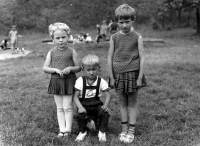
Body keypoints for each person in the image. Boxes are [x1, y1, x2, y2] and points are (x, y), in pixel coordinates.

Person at [108, 4, 146, 143]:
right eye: (121, 22)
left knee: (132, 103)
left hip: (133, 74)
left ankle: (131, 130)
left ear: (133, 20)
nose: (124, 25)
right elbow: (109, 58)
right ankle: (123, 129)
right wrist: (112, 77)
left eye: (127, 21)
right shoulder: (114, 38)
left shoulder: (137, 37)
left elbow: (142, 57)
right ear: (117, 22)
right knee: (122, 103)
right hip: (118, 74)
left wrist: (140, 77)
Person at [43, 22, 81, 138]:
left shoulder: (71, 51)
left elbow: (79, 67)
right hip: (56, 82)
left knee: (68, 107)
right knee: (59, 107)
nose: (61, 40)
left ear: (68, 37)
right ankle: (62, 129)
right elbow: (45, 68)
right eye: (57, 38)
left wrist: (70, 68)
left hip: (68, 81)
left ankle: (68, 130)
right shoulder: (51, 52)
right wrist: (54, 69)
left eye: (63, 37)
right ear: (53, 40)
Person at [73, 54, 111, 142]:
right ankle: (83, 131)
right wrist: (80, 107)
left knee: (104, 113)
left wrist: (105, 105)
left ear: (98, 68)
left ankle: (102, 131)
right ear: (83, 70)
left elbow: (108, 95)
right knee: (80, 115)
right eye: (88, 70)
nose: (91, 72)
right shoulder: (80, 81)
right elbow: (75, 97)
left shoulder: (101, 81)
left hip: (96, 105)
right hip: (84, 105)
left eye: (94, 69)